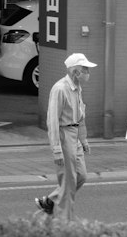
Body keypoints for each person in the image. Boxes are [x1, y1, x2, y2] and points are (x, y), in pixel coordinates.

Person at [35, 52, 95, 221]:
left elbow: (81, 116)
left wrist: (83, 139)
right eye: (86, 70)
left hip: (74, 135)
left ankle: (51, 201)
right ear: (76, 72)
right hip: (64, 135)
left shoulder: (77, 88)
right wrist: (56, 149)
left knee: (81, 176)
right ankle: (63, 221)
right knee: (69, 183)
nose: (88, 74)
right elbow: (52, 121)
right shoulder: (60, 89)